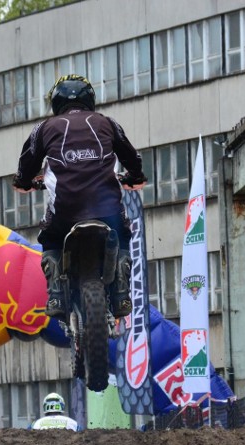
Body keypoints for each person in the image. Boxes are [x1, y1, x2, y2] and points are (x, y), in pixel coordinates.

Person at [12, 74, 147, 320]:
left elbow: (26, 161)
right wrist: (135, 177)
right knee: (123, 233)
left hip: (65, 210)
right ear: (90, 100)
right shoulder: (107, 123)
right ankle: (121, 291)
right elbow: (131, 156)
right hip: (107, 210)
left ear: (56, 102)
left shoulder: (44, 128)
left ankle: (55, 293)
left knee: (50, 238)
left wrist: (23, 182)